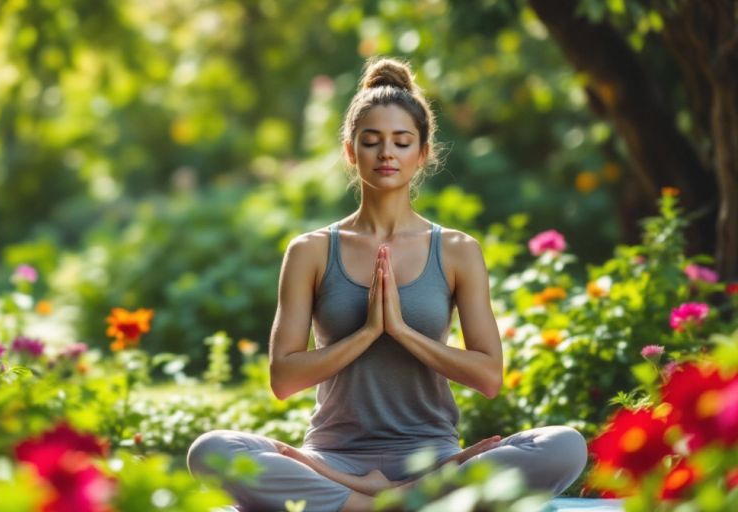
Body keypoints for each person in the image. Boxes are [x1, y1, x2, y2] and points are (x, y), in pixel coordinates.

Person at [187, 57, 587, 512]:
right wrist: (366, 333)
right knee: (212, 451)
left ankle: (366, 503)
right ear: (350, 150)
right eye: (371, 141)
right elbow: (284, 378)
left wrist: (401, 331)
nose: (386, 154)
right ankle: (397, 504)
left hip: (434, 460)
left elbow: (488, 375)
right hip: (332, 457)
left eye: (402, 141)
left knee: (565, 444)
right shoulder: (311, 251)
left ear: (423, 153)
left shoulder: (457, 250)